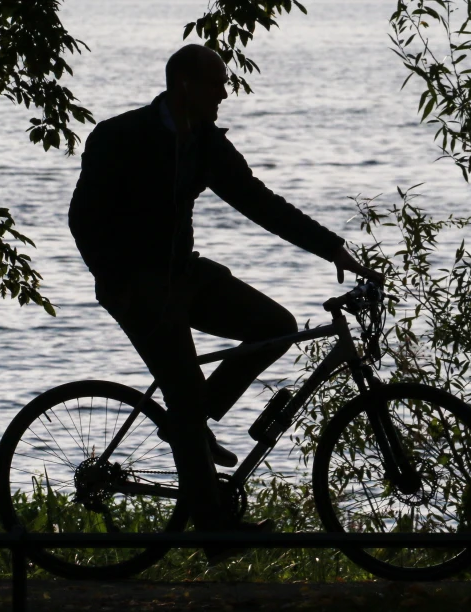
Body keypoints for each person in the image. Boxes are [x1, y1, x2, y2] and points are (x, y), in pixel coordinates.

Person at [67, 44, 382, 556]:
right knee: (185, 395)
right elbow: (83, 219)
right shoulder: (119, 135)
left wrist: (335, 249)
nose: (225, 92)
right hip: (136, 286)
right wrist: (121, 282)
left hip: (183, 274)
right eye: (217, 83)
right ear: (184, 86)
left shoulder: (207, 145)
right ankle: (213, 530)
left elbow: (261, 203)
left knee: (274, 326)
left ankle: (187, 423)